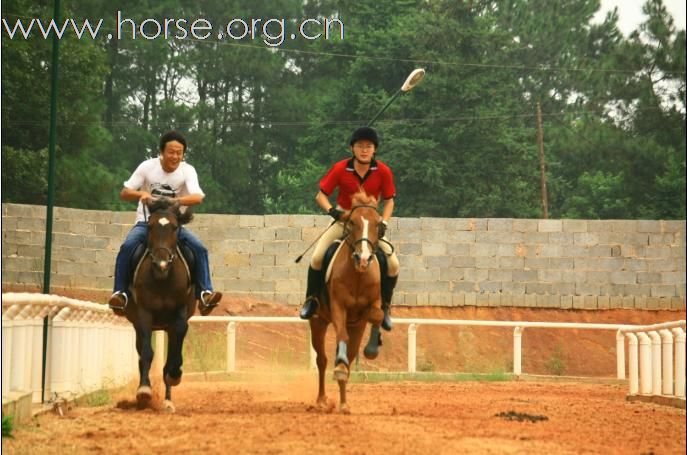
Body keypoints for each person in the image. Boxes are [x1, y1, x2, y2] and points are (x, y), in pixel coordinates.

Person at [108, 131, 222, 315]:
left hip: (173, 226)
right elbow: (125, 192)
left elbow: (198, 197)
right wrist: (141, 194)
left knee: (200, 248)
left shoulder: (188, 170)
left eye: (179, 152)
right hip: (146, 224)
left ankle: (204, 294)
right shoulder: (147, 167)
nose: (175, 156)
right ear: (161, 152)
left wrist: (176, 201)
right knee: (127, 247)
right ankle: (120, 294)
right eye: (171, 152)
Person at [299, 126, 399, 331]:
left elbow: (389, 201)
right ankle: (311, 300)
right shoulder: (340, 168)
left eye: (369, 146)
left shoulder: (383, 171)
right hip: (344, 219)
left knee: (394, 264)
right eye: (360, 146)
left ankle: (386, 308)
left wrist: (384, 222)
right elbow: (320, 195)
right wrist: (332, 212)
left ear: (375, 150)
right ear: (352, 148)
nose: (364, 150)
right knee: (317, 257)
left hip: (369, 224)